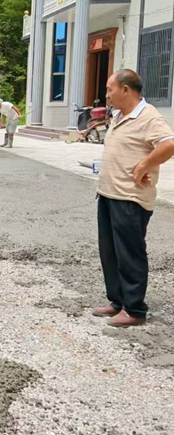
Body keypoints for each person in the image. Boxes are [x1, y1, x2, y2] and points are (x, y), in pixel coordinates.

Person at [92, 70, 174, 327]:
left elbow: (169, 143)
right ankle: (118, 301)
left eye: (110, 89)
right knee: (110, 252)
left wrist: (144, 165)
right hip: (108, 194)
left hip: (129, 198)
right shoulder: (118, 116)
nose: (107, 95)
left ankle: (135, 309)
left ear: (126, 89)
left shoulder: (148, 116)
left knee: (130, 253)